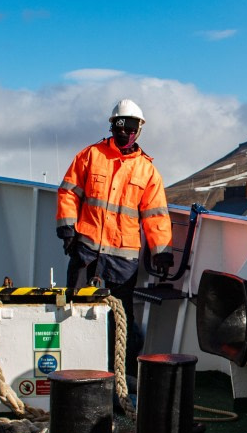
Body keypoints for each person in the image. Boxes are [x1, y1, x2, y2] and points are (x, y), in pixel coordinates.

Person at [56, 99, 174, 372]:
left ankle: (121, 374)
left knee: (120, 319)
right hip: (86, 253)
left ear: (139, 130)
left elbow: (155, 215)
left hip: (123, 261)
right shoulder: (90, 156)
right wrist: (67, 228)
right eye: (120, 127)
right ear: (112, 126)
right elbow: (68, 192)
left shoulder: (147, 171)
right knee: (74, 310)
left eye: (130, 128)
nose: (124, 133)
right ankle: (73, 369)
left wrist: (162, 251)